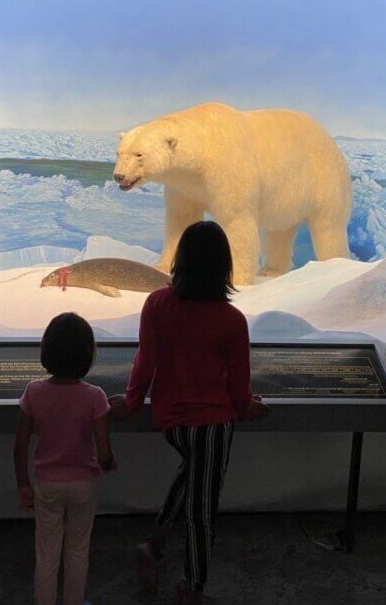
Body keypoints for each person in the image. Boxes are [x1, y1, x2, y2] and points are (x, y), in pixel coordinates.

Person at [109, 221, 268, 605]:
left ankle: (154, 545)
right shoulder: (231, 320)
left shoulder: (157, 305)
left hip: (171, 421)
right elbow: (238, 384)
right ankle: (191, 589)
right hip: (212, 425)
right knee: (202, 513)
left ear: (181, 261)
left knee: (190, 476)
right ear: (223, 266)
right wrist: (247, 408)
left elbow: (144, 363)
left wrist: (131, 403)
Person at [14, 312, 116, 605]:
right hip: (83, 483)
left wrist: (23, 484)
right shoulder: (96, 396)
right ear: (88, 354)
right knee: (77, 549)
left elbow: (19, 445)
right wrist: (109, 464)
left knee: (46, 552)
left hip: (46, 483)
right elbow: (103, 450)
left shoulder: (33, 391)